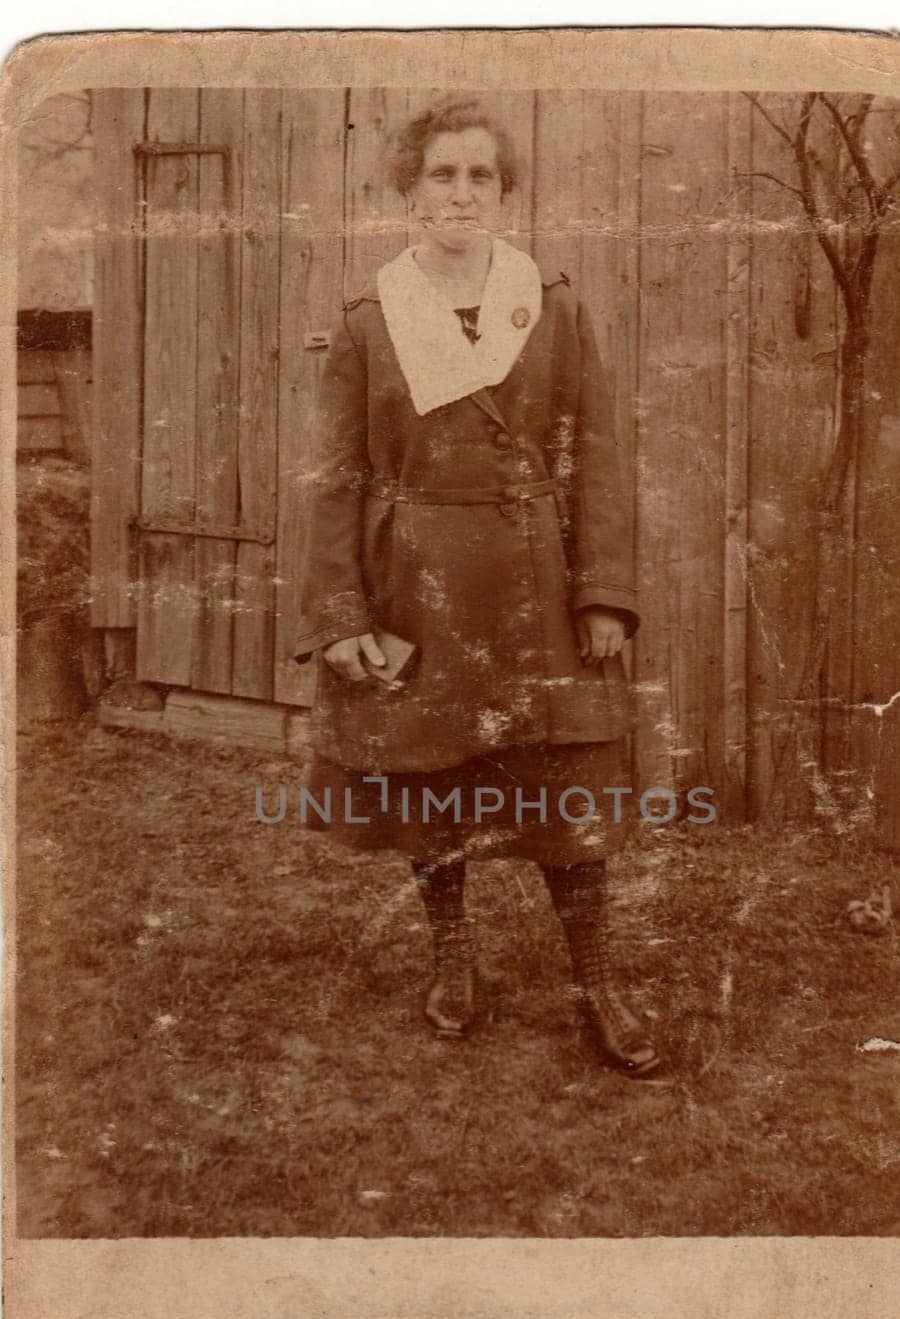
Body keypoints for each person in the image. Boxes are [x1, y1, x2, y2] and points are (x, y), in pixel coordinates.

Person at [293, 95, 659, 1079]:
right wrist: (339, 615)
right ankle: (451, 957)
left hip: (536, 587)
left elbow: (603, 459)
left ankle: (597, 985)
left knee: (566, 795)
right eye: (441, 174)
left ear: (503, 191)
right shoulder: (372, 322)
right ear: (409, 189)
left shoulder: (551, 302)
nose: (460, 192)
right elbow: (332, 478)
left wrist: (604, 594)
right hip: (417, 585)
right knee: (430, 782)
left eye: (479, 175)